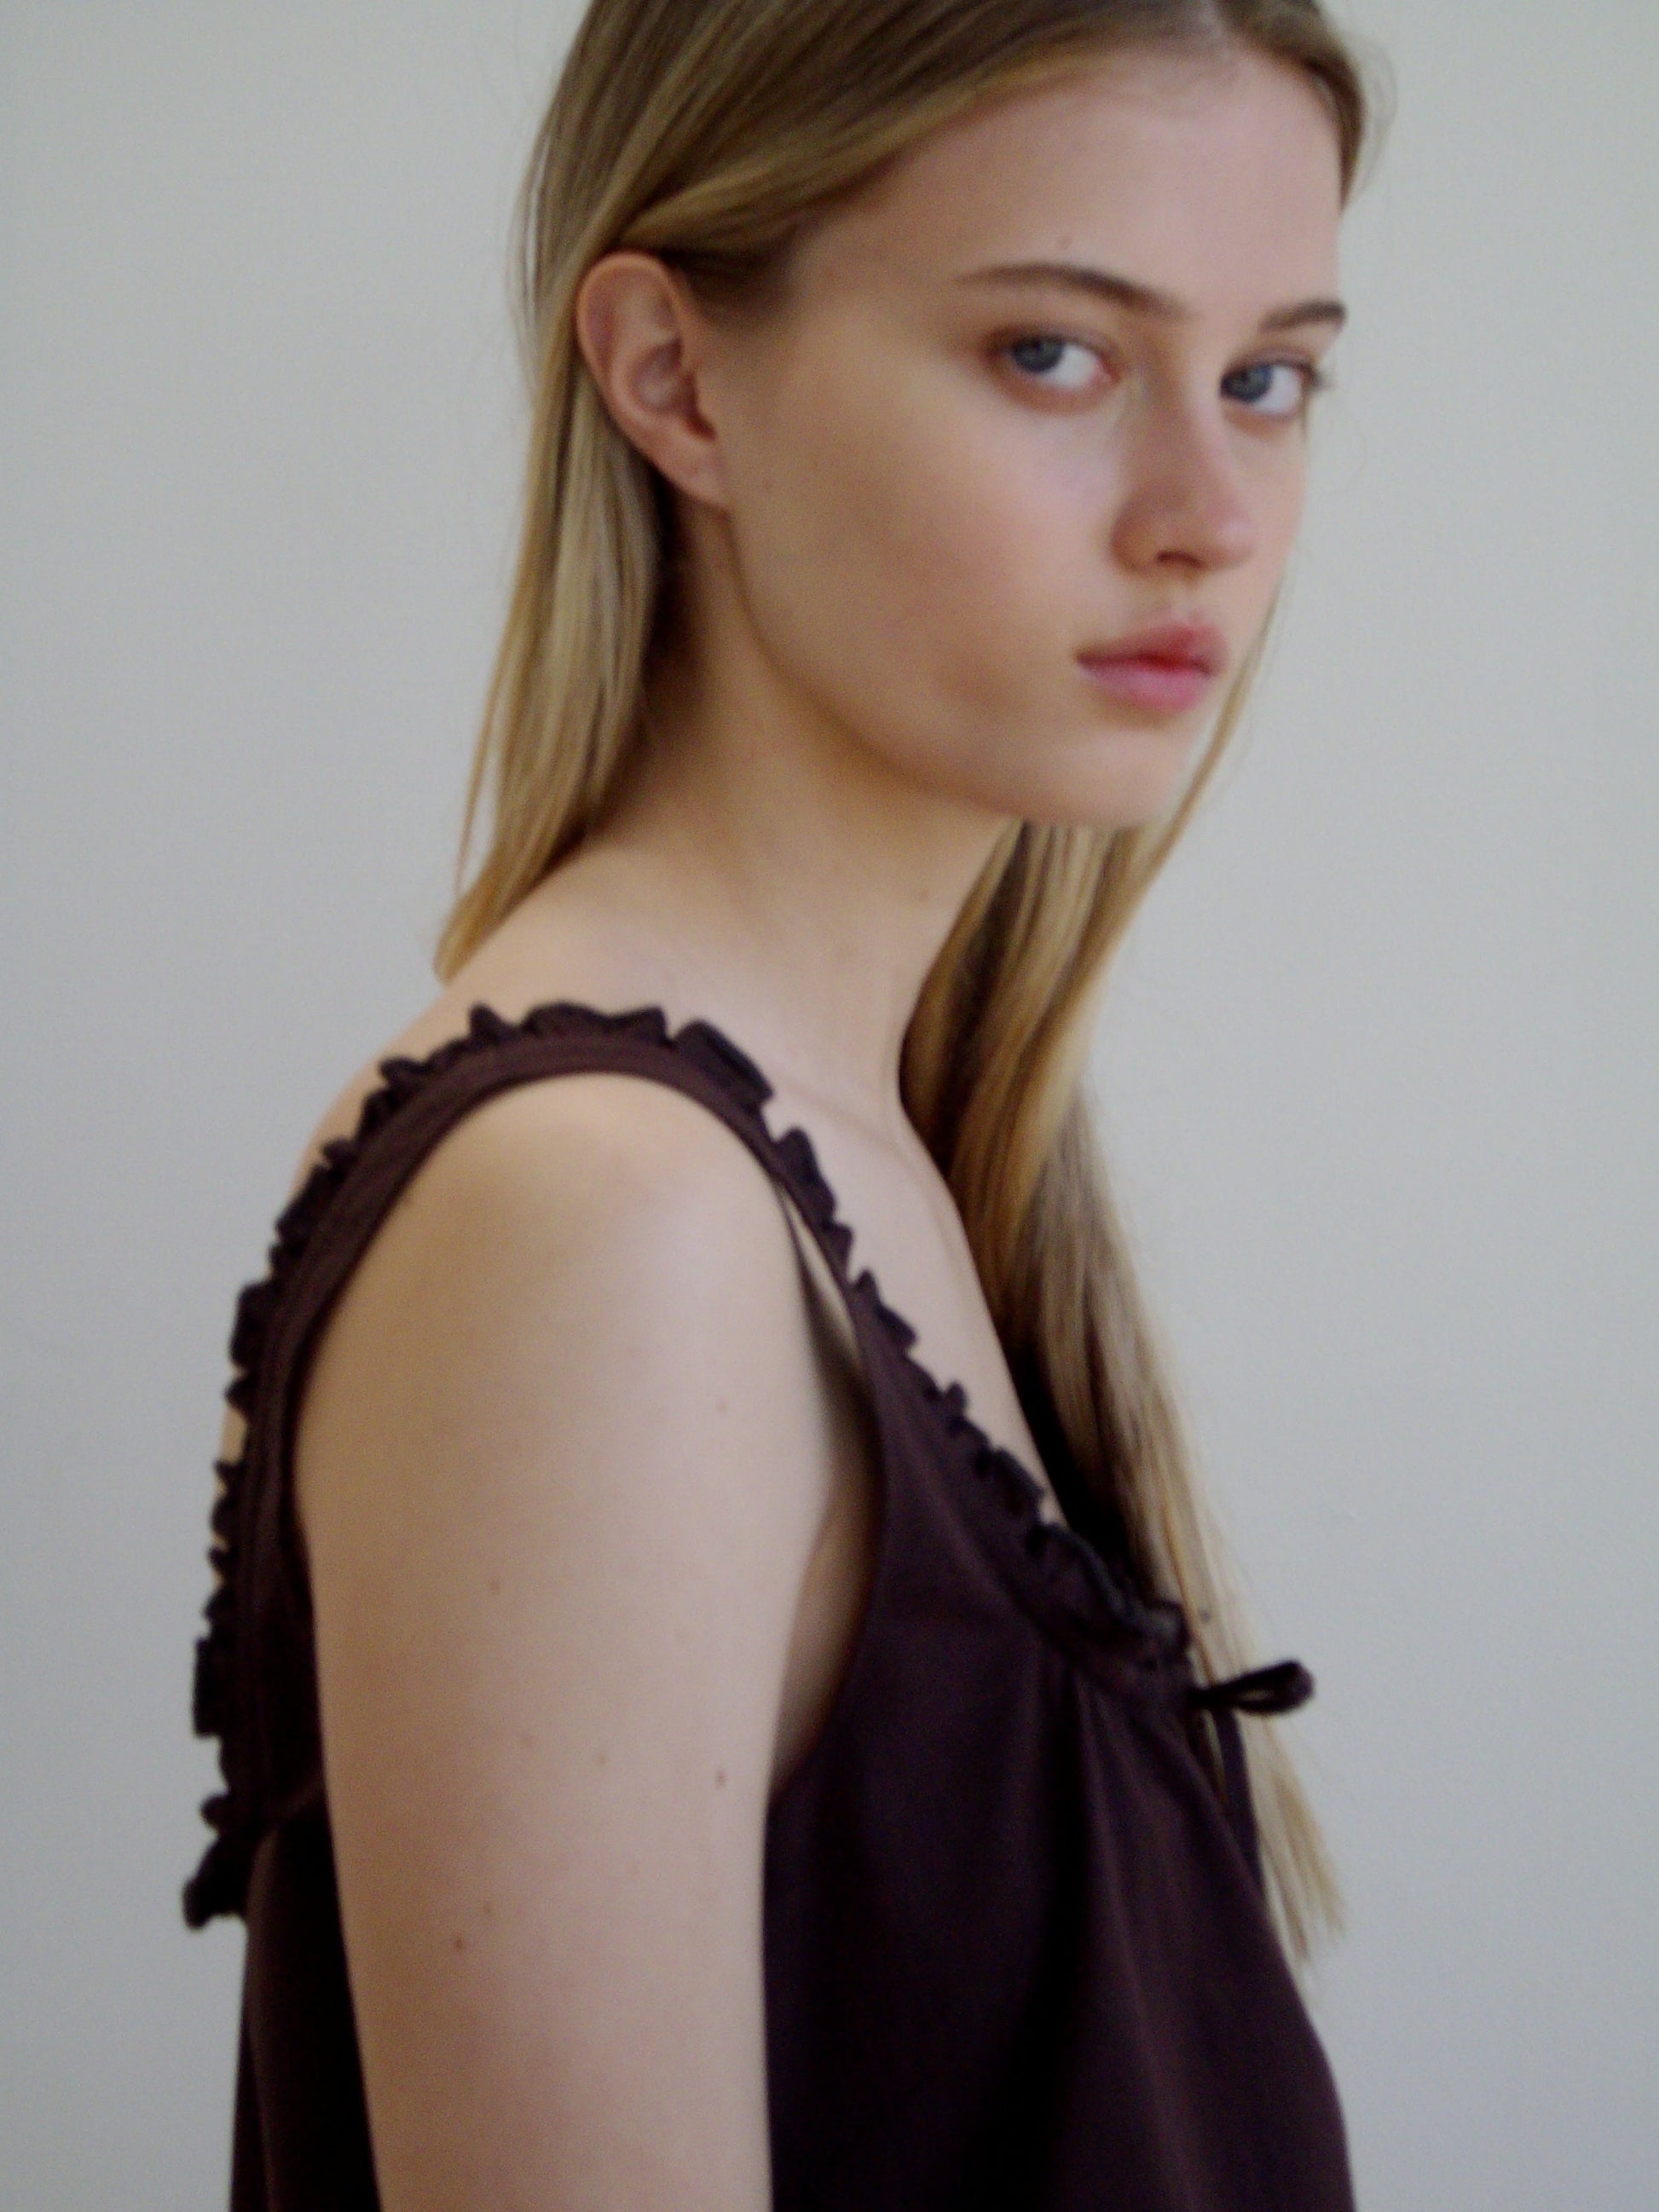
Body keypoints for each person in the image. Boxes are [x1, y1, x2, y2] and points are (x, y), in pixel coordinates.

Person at [184, 1, 1378, 2204]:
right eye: (1050, 352)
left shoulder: (879, 1151)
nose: (1206, 514)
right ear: (675, 378)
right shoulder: (605, 1211)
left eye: (1266, 378)